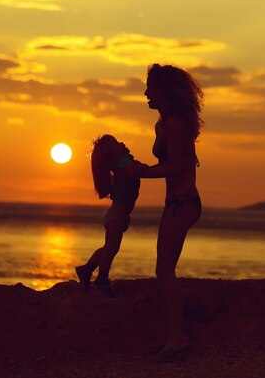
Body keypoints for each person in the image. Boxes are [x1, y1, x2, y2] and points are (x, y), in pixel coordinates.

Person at [126, 63, 203, 362]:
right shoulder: (163, 123)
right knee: (163, 269)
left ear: (165, 91)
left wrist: (141, 173)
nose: (146, 92)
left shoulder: (175, 124)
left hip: (184, 202)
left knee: (164, 270)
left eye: (151, 87)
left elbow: (179, 167)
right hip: (174, 202)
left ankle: (177, 338)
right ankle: (171, 335)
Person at [75, 134, 146, 297]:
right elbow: (133, 170)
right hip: (117, 215)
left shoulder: (123, 161)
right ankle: (102, 278)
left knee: (109, 247)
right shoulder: (123, 162)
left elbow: (133, 168)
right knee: (112, 247)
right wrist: (150, 169)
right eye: (117, 144)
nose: (122, 143)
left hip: (117, 215)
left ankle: (86, 269)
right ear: (113, 153)